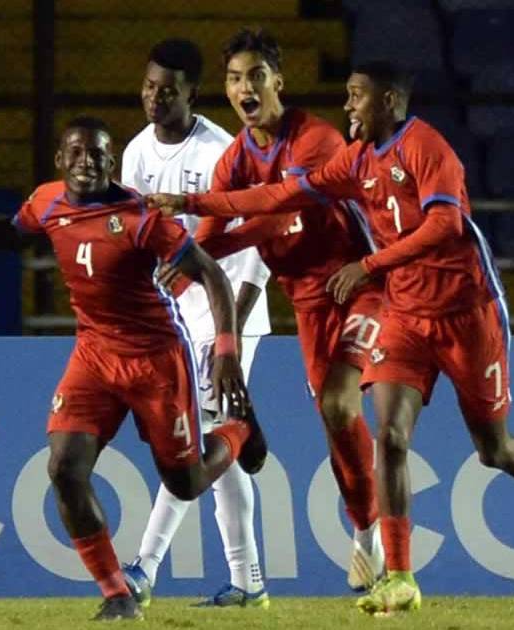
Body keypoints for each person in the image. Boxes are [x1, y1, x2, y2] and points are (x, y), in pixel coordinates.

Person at [149, 60, 514, 616]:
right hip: (404, 314)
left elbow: (445, 226)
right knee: (392, 436)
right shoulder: (355, 161)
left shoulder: (428, 149)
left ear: (389, 102)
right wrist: (191, 205)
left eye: (356, 96)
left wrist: (370, 265)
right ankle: (400, 576)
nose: (347, 106)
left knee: (492, 449)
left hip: (465, 311)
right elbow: (280, 197)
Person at [0, 116, 267, 621]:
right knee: (64, 469)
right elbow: (10, 235)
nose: (86, 162)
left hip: (155, 360)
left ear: (111, 161)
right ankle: (118, 594)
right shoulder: (47, 201)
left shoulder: (139, 216)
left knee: (185, 483)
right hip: (95, 356)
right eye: (76, 153)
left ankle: (236, 429)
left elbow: (211, 275)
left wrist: (227, 351)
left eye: (97, 154)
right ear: (60, 159)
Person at [158, 28, 387, 596]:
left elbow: (284, 208)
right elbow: (211, 239)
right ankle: (368, 532)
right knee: (336, 423)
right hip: (309, 305)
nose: (246, 88)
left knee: (339, 403)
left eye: (256, 76)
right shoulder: (236, 159)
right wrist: (182, 265)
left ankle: (375, 538)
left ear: (278, 82)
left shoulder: (316, 140)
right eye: (235, 79)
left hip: (361, 284)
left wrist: (195, 209)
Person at [118, 39, 274, 608]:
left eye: (168, 90)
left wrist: (229, 338)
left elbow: (257, 249)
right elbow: (136, 238)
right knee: (221, 459)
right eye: (149, 86)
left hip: (228, 313)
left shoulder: (220, 153)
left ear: (193, 94)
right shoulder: (136, 152)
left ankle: (144, 568)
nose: (155, 98)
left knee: (195, 441)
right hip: (179, 319)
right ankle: (248, 582)